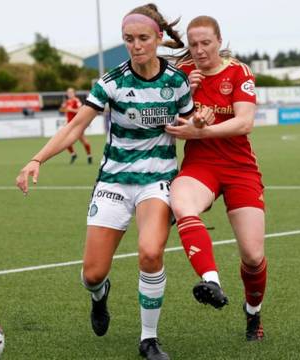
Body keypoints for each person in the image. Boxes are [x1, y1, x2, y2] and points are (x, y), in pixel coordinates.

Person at [16, 4, 210, 359]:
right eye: (128, 39)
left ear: (159, 39)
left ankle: (148, 339)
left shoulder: (177, 82)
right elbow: (75, 126)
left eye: (142, 38)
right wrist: (36, 159)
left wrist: (194, 126)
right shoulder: (111, 82)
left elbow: (189, 131)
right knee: (92, 273)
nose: (135, 46)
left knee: (151, 253)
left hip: (158, 180)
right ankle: (99, 295)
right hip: (114, 182)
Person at [164, 15, 267, 342]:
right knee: (180, 201)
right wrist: (188, 114)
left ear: (219, 41)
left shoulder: (239, 72)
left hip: (239, 168)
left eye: (205, 43)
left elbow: (244, 122)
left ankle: (253, 313)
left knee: (252, 256)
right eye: (193, 44)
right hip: (201, 166)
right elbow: (171, 124)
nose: (199, 50)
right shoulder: (182, 76)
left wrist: (202, 129)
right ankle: (211, 281)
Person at [59, 87, 93, 164]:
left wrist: (71, 109)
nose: (69, 94)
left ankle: (89, 155)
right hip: (69, 125)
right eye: (68, 93)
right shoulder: (67, 101)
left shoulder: (76, 100)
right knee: (64, 141)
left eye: (71, 92)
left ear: (74, 93)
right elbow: (61, 110)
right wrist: (63, 107)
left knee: (83, 141)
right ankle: (73, 154)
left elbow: (80, 110)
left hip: (77, 125)